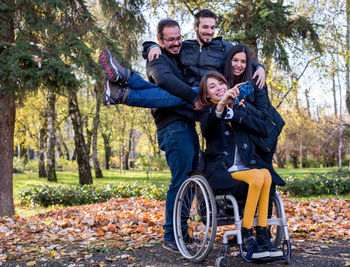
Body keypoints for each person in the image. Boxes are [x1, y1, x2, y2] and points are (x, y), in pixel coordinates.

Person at [99, 19, 200, 253]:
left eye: (178, 38)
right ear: (160, 41)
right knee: (181, 180)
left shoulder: (180, 55)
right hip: (173, 127)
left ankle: (122, 86)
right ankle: (171, 235)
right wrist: (198, 96)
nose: (176, 43)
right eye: (170, 40)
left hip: (187, 124)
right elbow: (165, 81)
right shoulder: (158, 59)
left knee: (190, 181)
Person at [197, 71, 283, 259]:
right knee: (257, 176)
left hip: (247, 167)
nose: (218, 88)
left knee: (266, 175)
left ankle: (263, 234)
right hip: (224, 170)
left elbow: (264, 129)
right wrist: (222, 105)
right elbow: (207, 127)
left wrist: (239, 112)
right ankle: (246, 235)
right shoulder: (208, 113)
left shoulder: (240, 109)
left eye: (221, 84)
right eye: (212, 87)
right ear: (207, 96)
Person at [146, 9, 266, 88]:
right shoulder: (185, 46)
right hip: (189, 94)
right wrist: (153, 46)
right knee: (152, 90)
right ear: (195, 27)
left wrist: (260, 67)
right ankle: (128, 86)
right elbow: (168, 47)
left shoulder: (224, 47)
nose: (209, 32)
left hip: (213, 95)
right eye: (205, 27)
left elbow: (244, 59)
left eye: (212, 28)